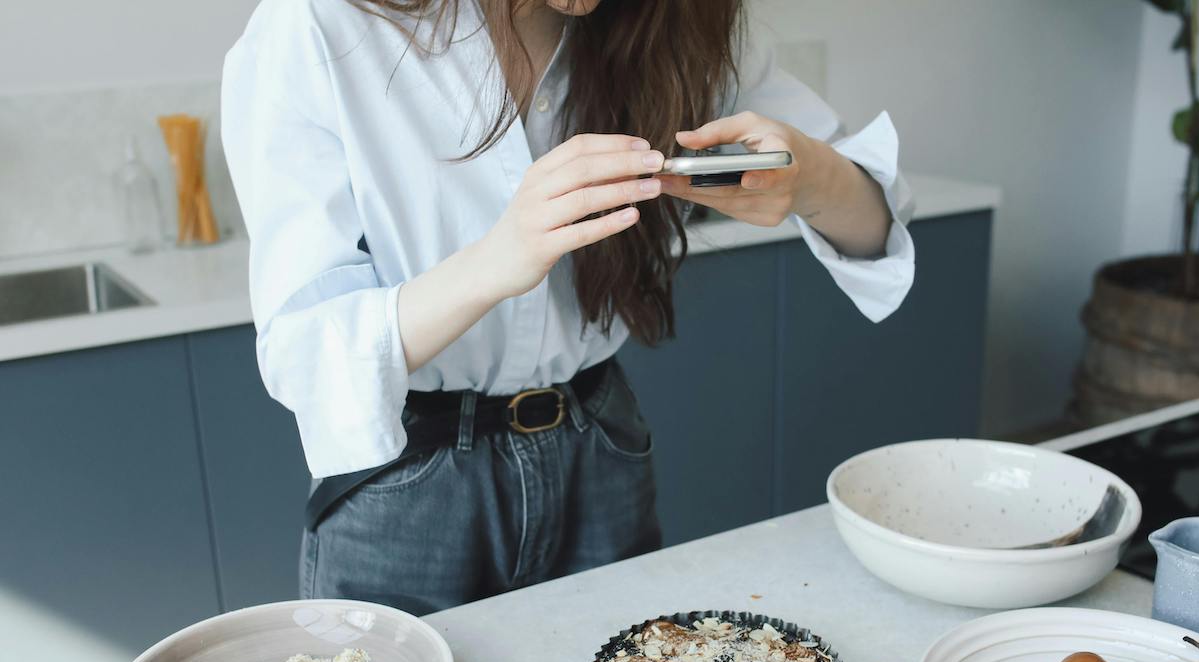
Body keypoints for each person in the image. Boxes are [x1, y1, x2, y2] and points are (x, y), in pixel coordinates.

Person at [221, 0, 915, 615]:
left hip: (601, 452)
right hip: (408, 482)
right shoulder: (317, 26)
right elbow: (304, 350)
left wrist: (812, 178)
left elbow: (876, 223)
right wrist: (498, 258)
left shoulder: (674, 21)